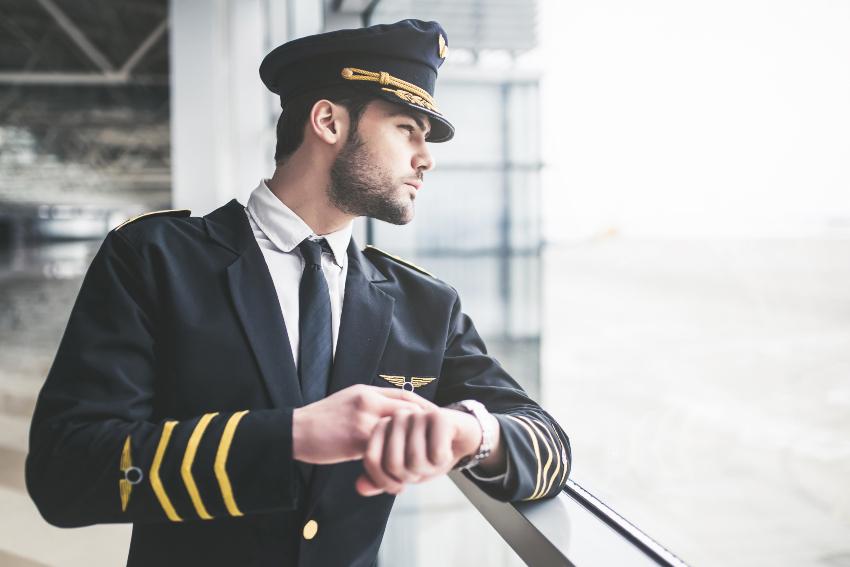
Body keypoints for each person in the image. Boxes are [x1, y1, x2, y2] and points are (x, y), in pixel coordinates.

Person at [26, 19, 571, 567]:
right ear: (328, 121)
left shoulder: (424, 304)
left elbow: (546, 441)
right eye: (407, 128)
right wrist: (289, 436)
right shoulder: (155, 257)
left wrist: (468, 430)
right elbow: (65, 472)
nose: (425, 157)